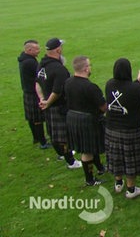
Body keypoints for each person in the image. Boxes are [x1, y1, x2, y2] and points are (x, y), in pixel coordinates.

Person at [105, 58, 140, 198]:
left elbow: (127, 89)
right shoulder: (136, 88)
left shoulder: (109, 84)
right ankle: (131, 190)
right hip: (129, 130)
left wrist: (138, 82)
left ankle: (118, 182)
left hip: (112, 128)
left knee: (116, 156)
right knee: (130, 159)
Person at [35, 38, 81, 169]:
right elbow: (57, 91)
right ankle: (71, 161)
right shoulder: (59, 69)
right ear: (58, 50)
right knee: (62, 135)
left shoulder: (41, 64)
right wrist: (48, 102)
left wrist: (42, 100)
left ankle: (61, 154)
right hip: (58, 106)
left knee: (53, 132)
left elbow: (37, 83)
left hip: (47, 105)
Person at [65, 56, 107, 186]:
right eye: (89, 65)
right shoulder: (90, 87)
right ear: (85, 68)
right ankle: (90, 179)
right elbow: (103, 107)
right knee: (87, 151)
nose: (90, 68)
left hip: (72, 117)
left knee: (90, 146)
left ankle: (100, 168)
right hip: (87, 120)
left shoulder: (68, 82)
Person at [18, 39, 49, 148]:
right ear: (29, 49)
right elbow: (39, 75)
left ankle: (36, 138)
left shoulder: (24, 58)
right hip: (33, 92)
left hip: (27, 91)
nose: (39, 50)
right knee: (37, 119)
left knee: (32, 118)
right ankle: (43, 142)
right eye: (36, 49)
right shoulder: (30, 62)